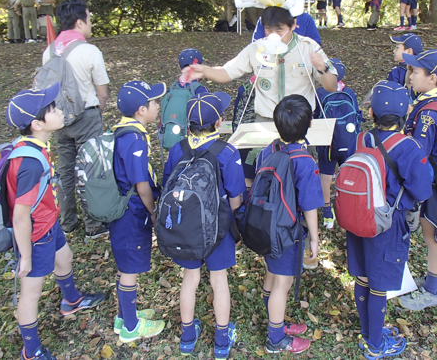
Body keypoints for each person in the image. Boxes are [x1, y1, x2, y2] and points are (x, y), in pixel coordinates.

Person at [5, 84, 106, 360]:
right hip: (36, 235)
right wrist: (25, 256)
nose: (60, 110)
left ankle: (71, 300)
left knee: (65, 257)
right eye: (53, 109)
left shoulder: (36, 145)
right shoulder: (29, 163)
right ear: (37, 124)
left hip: (49, 224)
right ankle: (31, 348)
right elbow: (20, 215)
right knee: (31, 291)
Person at [183, 5, 337, 185]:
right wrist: (204, 71)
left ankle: (300, 211)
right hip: (266, 123)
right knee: (266, 176)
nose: (274, 35)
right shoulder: (256, 49)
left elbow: (331, 86)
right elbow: (227, 72)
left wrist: (323, 68)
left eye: (279, 30)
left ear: (293, 25)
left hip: (300, 125)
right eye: (268, 29)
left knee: (300, 177)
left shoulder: (309, 48)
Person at [349, 80, 432, 360]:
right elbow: (421, 189)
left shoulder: (362, 139)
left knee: (362, 276)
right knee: (379, 285)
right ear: (405, 115)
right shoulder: (408, 147)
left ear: (371, 114)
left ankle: (366, 330)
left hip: (358, 218)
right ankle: (375, 344)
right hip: (388, 225)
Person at [162, 92, 245, 359]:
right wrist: (235, 228)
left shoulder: (178, 149)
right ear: (219, 123)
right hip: (219, 228)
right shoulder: (228, 152)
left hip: (186, 227)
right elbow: (235, 197)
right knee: (219, 279)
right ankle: (222, 340)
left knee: (190, 278)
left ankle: (187, 337)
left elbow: (168, 185)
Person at [253, 95, 322, 354]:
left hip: (266, 227)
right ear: (309, 125)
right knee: (283, 283)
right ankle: (275, 337)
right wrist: (314, 238)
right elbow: (310, 206)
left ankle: (277, 321)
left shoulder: (267, 150)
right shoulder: (304, 161)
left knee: (273, 273)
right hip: (287, 233)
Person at [42, 0, 110, 238]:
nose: (91, 24)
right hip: (86, 116)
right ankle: (93, 225)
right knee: (89, 169)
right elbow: (102, 91)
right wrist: (98, 110)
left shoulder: (49, 51)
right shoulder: (89, 51)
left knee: (66, 169)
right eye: (89, 19)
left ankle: (68, 220)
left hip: (58, 119)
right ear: (80, 22)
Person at [399, 49, 437, 311]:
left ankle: (433, 291)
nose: (410, 76)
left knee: (432, 235)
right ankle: (434, 279)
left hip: (433, 186)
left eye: (416, 72)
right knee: (436, 235)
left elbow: (418, 157)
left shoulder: (428, 115)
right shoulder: (435, 101)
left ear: (432, 78)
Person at [110, 80, 167, 343]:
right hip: (131, 212)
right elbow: (141, 183)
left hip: (125, 208)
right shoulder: (134, 139)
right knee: (130, 268)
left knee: (126, 267)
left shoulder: (124, 131)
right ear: (142, 110)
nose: (158, 106)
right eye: (155, 103)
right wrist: (153, 211)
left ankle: (125, 315)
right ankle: (131, 327)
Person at [313, 58, 360, 232]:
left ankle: (327, 213)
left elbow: (315, 115)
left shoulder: (320, 93)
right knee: (348, 174)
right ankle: (348, 208)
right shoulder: (349, 92)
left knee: (326, 176)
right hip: (348, 142)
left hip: (327, 142)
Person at [252, 0, 321, 46]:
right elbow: (256, 45)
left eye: (287, 0)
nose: (284, 4)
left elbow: (315, 45)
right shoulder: (265, 19)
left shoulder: (306, 19)